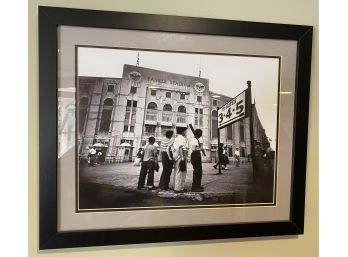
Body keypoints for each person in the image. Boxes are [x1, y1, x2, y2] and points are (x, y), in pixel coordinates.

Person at [171, 126, 189, 193]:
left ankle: (176, 186)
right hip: (180, 155)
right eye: (185, 131)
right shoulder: (181, 138)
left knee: (177, 171)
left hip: (176, 155)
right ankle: (179, 188)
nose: (186, 132)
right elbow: (181, 147)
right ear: (183, 131)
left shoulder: (177, 138)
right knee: (181, 172)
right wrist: (182, 157)